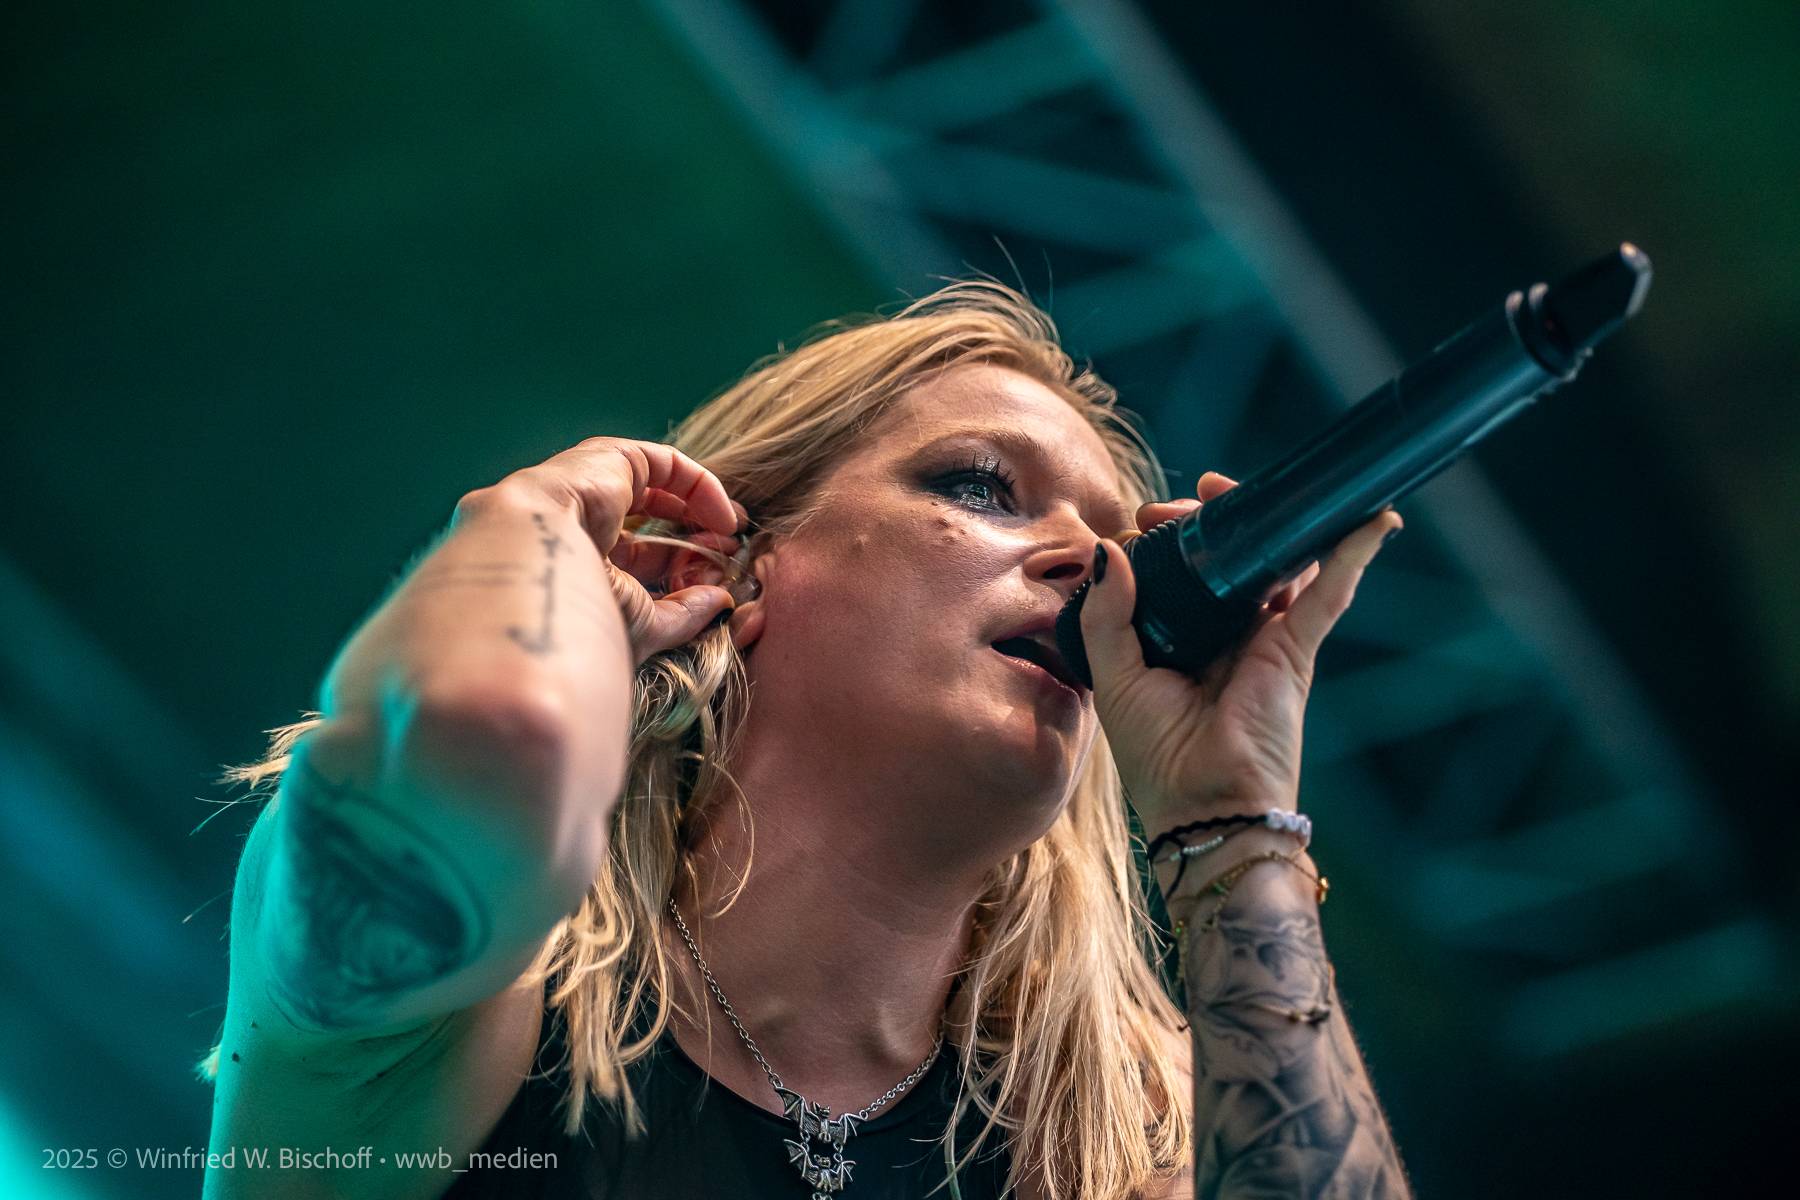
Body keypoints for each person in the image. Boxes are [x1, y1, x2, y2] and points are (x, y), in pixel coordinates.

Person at [198, 282, 1412, 1199]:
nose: (1090, 569)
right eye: (981, 486)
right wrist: (529, 534)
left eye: (1116, 549)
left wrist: (1232, 818)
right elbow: (456, 761)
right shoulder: (471, 1004)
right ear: (730, 564)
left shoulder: (1124, 1130)